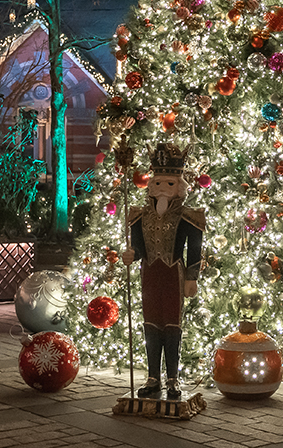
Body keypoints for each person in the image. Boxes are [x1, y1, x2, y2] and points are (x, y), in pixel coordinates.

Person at [121, 144, 204, 400]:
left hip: (173, 275)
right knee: (151, 324)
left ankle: (172, 379)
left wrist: (192, 278)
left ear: (178, 186)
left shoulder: (188, 217)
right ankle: (153, 377)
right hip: (150, 274)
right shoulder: (139, 216)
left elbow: (195, 250)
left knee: (172, 324)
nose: (162, 189)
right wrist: (130, 255)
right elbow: (136, 245)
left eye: (169, 184)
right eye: (158, 183)